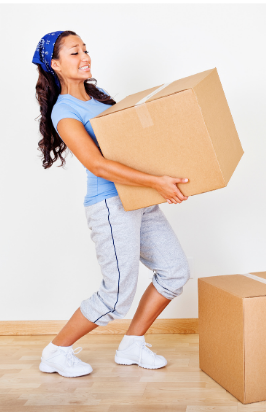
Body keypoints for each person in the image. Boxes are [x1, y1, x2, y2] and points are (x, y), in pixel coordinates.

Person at [31, 30, 191, 377]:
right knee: (116, 295)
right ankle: (56, 352)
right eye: (74, 53)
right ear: (55, 65)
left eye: (85, 50)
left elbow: (134, 147)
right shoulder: (65, 110)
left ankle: (132, 346)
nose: (85, 56)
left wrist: (166, 175)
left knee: (174, 271)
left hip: (139, 199)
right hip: (111, 205)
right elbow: (98, 164)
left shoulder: (100, 102)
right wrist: (157, 183)